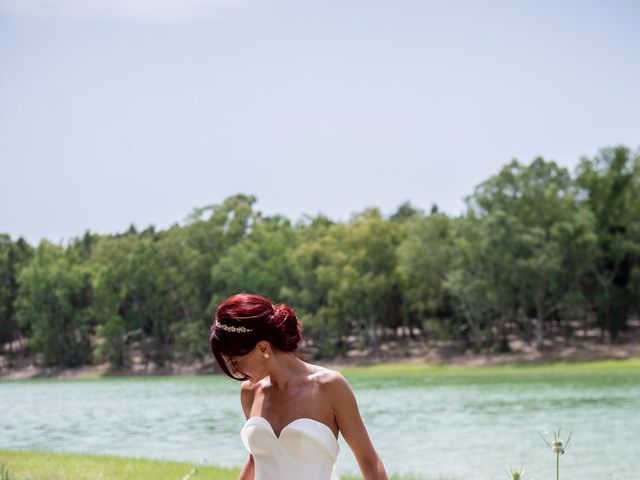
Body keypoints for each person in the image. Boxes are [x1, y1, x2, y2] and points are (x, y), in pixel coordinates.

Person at [209, 293, 388, 480]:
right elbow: (257, 459)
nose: (235, 371)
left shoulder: (330, 386)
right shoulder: (250, 392)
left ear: (263, 348)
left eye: (236, 361)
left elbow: (369, 462)